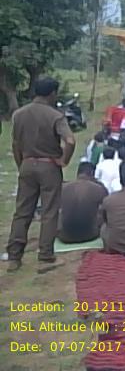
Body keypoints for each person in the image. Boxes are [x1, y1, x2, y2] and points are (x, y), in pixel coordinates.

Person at [6, 77, 76, 272]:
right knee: (49, 212)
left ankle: (14, 257)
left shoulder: (19, 114)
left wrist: (21, 164)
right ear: (52, 93)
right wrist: (63, 160)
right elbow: (70, 140)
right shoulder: (55, 116)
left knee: (22, 211)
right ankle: (45, 255)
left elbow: (15, 144)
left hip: (27, 164)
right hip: (48, 166)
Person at [58, 163, 108, 244]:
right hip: (91, 235)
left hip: (64, 236)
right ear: (92, 174)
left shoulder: (63, 188)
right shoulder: (99, 188)